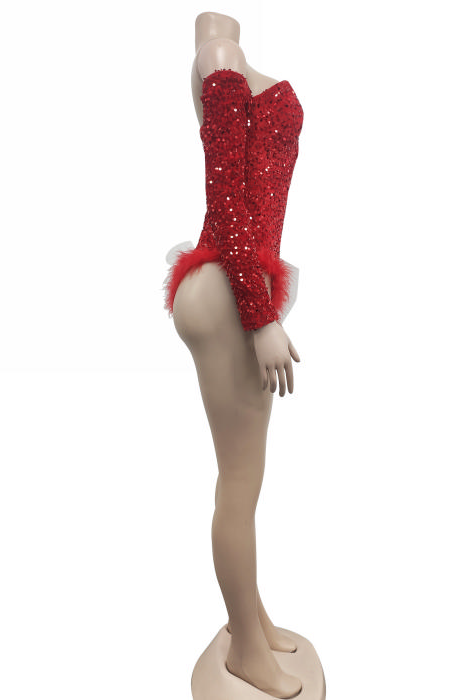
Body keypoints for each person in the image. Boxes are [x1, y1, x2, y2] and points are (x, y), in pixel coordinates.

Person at [164, 11, 304, 699]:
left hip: (231, 278)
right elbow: (225, 196)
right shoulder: (220, 53)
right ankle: (246, 650)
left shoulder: (218, 54)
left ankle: (252, 617)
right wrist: (261, 316)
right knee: (241, 481)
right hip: (230, 285)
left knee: (243, 480)